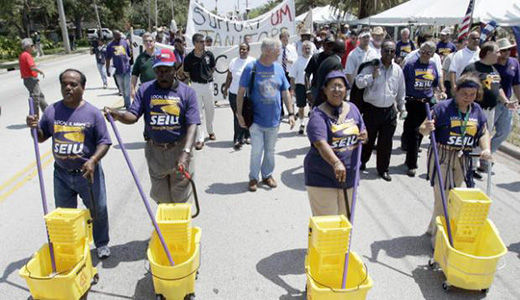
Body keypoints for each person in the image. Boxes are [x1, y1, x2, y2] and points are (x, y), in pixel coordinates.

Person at [26, 69, 112, 258]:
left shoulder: (92, 113)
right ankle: (70, 248)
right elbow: (41, 137)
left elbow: (104, 142)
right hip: (62, 174)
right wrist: (33, 127)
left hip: (87, 173)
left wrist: (93, 160)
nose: (68, 87)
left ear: (83, 87)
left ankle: (101, 243)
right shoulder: (52, 110)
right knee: (65, 215)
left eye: (73, 84)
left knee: (98, 209)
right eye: (64, 84)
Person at [105, 49, 200, 203]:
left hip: (179, 150)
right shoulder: (145, 90)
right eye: (158, 71)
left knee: (180, 198)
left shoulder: (187, 92)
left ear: (175, 69)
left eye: (166, 70)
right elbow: (133, 116)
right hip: (155, 152)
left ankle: (179, 226)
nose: (162, 75)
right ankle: (165, 226)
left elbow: (192, 124)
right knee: (161, 198)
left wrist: (186, 152)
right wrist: (119, 115)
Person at [419, 74, 492, 242]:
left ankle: (433, 227)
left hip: (462, 158)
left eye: (472, 94)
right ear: (456, 91)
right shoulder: (442, 108)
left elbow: (483, 131)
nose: (468, 98)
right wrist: (427, 128)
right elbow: (422, 129)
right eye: (464, 93)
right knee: (443, 197)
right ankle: (439, 240)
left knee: (452, 197)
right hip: (442, 155)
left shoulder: (477, 110)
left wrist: (486, 149)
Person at [304, 71, 367, 216]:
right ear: (325, 90)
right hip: (322, 178)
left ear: (346, 90)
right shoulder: (318, 115)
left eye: (340, 86)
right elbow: (320, 143)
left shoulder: (353, 109)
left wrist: (364, 135)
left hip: (349, 177)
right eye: (332, 87)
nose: (337, 90)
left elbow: (362, 130)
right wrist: (336, 162)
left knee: (345, 220)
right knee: (328, 224)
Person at [236, 38, 295, 192]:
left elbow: (285, 92)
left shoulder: (279, 69)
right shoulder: (251, 68)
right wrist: (239, 114)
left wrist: (291, 113)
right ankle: (253, 178)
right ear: (268, 51)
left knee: (270, 150)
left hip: (274, 120)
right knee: (257, 150)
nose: (279, 54)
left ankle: (267, 175)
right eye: (277, 51)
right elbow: (241, 92)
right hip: (255, 119)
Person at [355, 41, 406, 181]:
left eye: (392, 51)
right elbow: (358, 83)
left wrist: (402, 108)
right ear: (381, 51)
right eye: (386, 50)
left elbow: (401, 90)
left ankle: (383, 169)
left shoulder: (397, 70)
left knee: (386, 143)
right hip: (372, 111)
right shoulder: (372, 66)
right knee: (367, 140)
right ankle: (362, 162)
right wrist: (372, 76)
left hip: (389, 111)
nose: (389, 54)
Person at [462, 41, 510, 176]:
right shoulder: (472, 68)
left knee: (483, 136)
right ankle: (466, 165)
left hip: (491, 110)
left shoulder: (494, 70)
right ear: (488, 53)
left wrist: (506, 102)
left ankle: (473, 166)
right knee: (471, 135)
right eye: (497, 51)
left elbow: (498, 88)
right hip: (475, 108)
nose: (499, 54)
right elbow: (462, 87)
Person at [402, 41, 446, 177]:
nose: (425, 54)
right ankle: (412, 164)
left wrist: (441, 91)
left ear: (432, 54)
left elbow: (435, 82)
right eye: (423, 51)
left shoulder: (432, 65)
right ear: (419, 51)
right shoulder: (410, 65)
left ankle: (410, 156)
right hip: (412, 102)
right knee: (414, 133)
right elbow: (402, 83)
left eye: (429, 52)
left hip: (427, 104)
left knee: (421, 132)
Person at [183, 33, 216, 150]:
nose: (204, 43)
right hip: (196, 86)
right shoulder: (189, 57)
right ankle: (200, 139)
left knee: (210, 109)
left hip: (208, 85)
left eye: (204, 41)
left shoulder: (209, 54)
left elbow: (212, 67)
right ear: (195, 43)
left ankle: (210, 130)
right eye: (201, 41)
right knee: (198, 113)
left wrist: (206, 75)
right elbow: (186, 72)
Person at [490, 38, 520, 156]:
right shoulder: (492, 64)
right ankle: (475, 157)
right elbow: (497, 86)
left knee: (504, 132)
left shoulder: (514, 63)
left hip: (507, 104)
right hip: (492, 103)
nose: (506, 52)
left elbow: (516, 84)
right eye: (503, 50)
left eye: (508, 49)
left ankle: (487, 155)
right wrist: (506, 102)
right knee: (485, 130)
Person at [223, 42, 255, 149]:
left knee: (248, 116)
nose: (242, 51)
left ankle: (247, 135)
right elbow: (229, 77)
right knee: (237, 116)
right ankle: (237, 138)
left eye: (244, 49)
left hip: (248, 95)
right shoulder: (233, 62)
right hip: (235, 94)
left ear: (248, 50)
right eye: (240, 49)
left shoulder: (253, 62)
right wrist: (225, 89)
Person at [289, 40, 313, 134]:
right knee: (301, 107)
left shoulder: (314, 59)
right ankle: (302, 124)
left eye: (308, 48)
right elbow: (292, 76)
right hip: (300, 86)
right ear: (301, 50)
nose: (307, 50)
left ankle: (312, 124)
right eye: (305, 48)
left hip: (311, 87)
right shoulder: (297, 61)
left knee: (313, 107)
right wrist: (292, 89)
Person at [19, 38, 48, 114]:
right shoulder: (27, 55)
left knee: (40, 96)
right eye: (32, 45)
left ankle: (47, 112)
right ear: (27, 47)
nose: (33, 47)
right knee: (35, 97)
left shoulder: (22, 55)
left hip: (27, 79)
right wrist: (40, 71)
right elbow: (32, 67)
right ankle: (34, 115)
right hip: (31, 79)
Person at [305, 35, 336, 105]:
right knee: (316, 112)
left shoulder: (335, 59)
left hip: (331, 90)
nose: (330, 47)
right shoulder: (315, 58)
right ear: (324, 45)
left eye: (332, 45)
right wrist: (308, 91)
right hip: (317, 89)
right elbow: (307, 74)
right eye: (328, 45)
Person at [314, 39, 346, 106]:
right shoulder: (337, 64)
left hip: (319, 100)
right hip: (327, 103)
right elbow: (336, 85)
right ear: (344, 52)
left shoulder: (327, 61)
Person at [106, 30, 132, 109]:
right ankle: (125, 101)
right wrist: (107, 69)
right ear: (114, 36)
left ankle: (128, 105)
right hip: (117, 71)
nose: (120, 36)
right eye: (117, 35)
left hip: (127, 69)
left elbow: (129, 53)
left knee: (127, 88)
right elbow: (107, 58)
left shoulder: (124, 42)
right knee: (122, 88)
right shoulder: (110, 45)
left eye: (120, 35)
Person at [131, 32, 158, 100]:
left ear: (154, 41)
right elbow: (134, 74)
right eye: (145, 41)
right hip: (146, 90)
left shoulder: (160, 55)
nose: (148, 43)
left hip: (161, 89)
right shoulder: (140, 58)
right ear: (143, 43)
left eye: (150, 41)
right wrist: (132, 89)